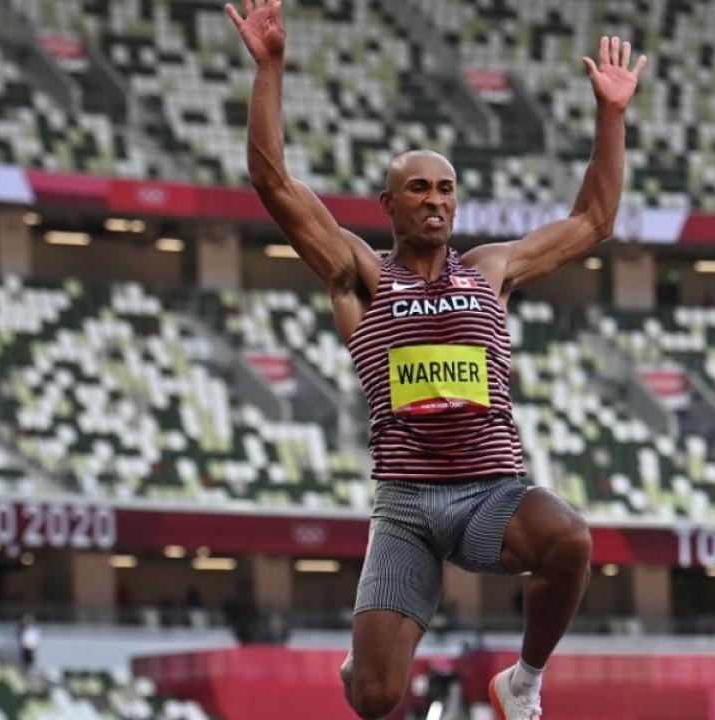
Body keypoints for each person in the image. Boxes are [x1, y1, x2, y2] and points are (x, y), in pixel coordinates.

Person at [225, 1, 646, 717]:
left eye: (446, 189)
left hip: (490, 492)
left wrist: (610, 116)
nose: (435, 201)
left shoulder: (489, 270)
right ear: (388, 202)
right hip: (408, 508)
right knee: (377, 697)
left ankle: (523, 684)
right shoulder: (360, 275)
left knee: (570, 538)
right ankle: (359, 664)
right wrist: (269, 71)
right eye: (419, 188)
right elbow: (275, 184)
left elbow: (593, 220)